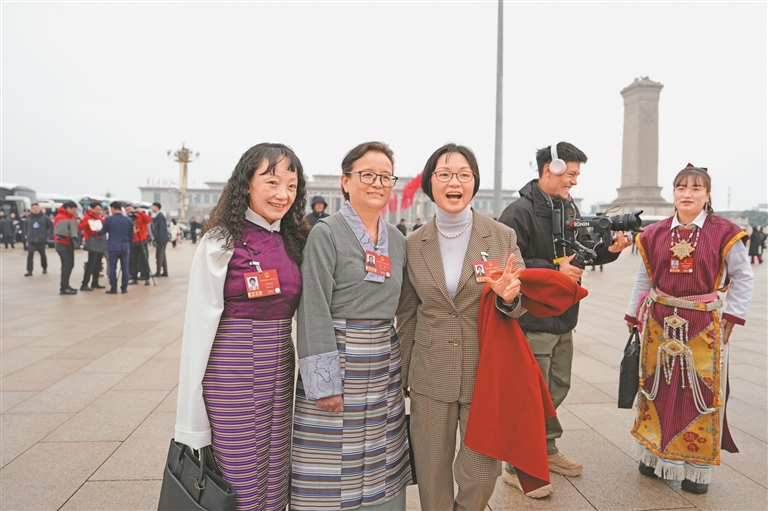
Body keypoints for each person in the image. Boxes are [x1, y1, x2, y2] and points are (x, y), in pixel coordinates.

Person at [175, 143, 309, 511]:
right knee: (239, 471)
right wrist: (190, 413)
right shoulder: (221, 240)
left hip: (281, 365)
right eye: (271, 182)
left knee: (276, 467)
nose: (282, 194)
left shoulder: (295, 239)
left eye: (292, 186)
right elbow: (198, 323)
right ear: (246, 183)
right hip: (232, 369)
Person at [396, 143, 526, 510]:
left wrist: (510, 298)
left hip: (484, 371)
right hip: (430, 372)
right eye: (445, 174)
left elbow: (519, 305)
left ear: (474, 182)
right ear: (430, 182)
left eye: (464, 174)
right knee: (431, 472)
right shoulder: (412, 244)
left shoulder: (501, 236)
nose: (454, 182)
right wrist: (402, 374)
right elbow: (407, 314)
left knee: (483, 475)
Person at [497, 142, 631, 495]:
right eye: (570, 173)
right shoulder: (519, 212)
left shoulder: (569, 208)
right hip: (532, 317)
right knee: (531, 393)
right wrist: (554, 269)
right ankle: (517, 464)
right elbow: (506, 262)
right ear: (550, 168)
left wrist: (610, 251)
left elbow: (585, 251)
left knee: (557, 386)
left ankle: (547, 448)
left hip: (564, 314)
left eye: (576, 175)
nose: (574, 180)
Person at [292, 141, 411, 511]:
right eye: (367, 175)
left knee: (381, 449)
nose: (377, 183)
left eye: (385, 177)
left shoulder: (398, 239)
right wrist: (324, 384)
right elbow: (312, 306)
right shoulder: (326, 233)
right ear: (345, 181)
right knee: (328, 454)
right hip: (339, 357)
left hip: (383, 362)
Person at [625, 165, 754, 494]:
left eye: (696, 188)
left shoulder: (725, 232)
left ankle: (696, 468)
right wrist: (632, 313)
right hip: (659, 323)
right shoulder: (654, 233)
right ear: (673, 193)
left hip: (702, 325)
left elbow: (743, 276)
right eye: (681, 187)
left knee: (699, 392)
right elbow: (644, 279)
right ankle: (654, 456)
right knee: (656, 388)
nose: (687, 194)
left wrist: (734, 315)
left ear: (707, 194)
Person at [98, 201, 134, 294]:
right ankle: (124, 288)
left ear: (113, 208)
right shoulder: (128, 220)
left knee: (112, 268)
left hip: (113, 247)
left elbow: (102, 232)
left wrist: (96, 230)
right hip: (125, 247)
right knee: (125, 268)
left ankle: (113, 288)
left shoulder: (109, 220)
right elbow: (131, 235)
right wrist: (129, 244)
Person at [53, 201, 80, 295]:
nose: (74, 211)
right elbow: (61, 232)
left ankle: (66, 285)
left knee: (70, 265)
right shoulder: (60, 217)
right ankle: (63, 287)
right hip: (62, 244)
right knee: (66, 265)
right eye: (73, 209)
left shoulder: (70, 217)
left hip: (69, 244)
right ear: (68, 208)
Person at [78, 201, 106, 291]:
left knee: (98, 263)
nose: (99, 211)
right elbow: (81, 227)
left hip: (100, 241)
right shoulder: (87, 217)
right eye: (97, 209)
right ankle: (85, 283)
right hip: (92, 241)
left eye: (100, 209)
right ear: (92, 209)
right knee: (91, 263)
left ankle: (95, 282)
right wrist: (89, 223)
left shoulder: (99, 218)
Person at [124, 203, 151, 286]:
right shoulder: (127, 219)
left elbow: (148, 220)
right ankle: (134, 278)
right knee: (133, 261)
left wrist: (140, 212)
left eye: (130, 209)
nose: (129, 211)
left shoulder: (140, 216)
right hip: (132, 242)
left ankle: (147, 277)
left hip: (142, 241)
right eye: (127, 210)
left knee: (144, 260)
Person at [24, 203, 52, 276]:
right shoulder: (28, 219)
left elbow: (50, 227)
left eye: (36, 208)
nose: (35, 209)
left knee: (42, 254)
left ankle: (44, 267)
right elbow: (25, 229)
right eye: (33, 208)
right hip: (31, 240)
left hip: (41, 240)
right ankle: (29, 270)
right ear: (31, 209)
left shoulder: (45, 218)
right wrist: (26, 238)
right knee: (30, 255)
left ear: (39, 209)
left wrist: (46, 235)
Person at [151, 202, 170, 277]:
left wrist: (162, 241)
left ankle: (158, 272)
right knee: (162, 256)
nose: (152, 208)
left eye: (153, 207)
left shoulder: (160, 216)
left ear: (157, 207)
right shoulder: (157, 216)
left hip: (161, 240)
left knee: (159, 256)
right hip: (160, 239)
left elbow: (162, 229)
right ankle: (165, 272)